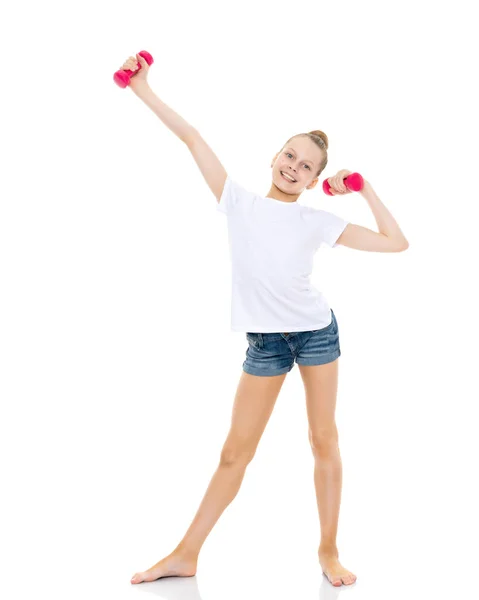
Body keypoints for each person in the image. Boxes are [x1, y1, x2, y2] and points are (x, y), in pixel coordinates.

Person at [124, 53, 409, 588]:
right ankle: (186, 553)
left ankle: (328, 550)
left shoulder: (316, 219)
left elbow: (397, 243)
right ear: (274, 156)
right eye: (289, 155)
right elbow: (191, 137)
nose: (293, 167)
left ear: (315, 181)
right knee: (235, 452)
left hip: (317, 334)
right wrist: (143, 88)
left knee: (323, 440)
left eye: (306, 167)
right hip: (267, 344)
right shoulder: (238, 201)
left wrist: (362, 188)